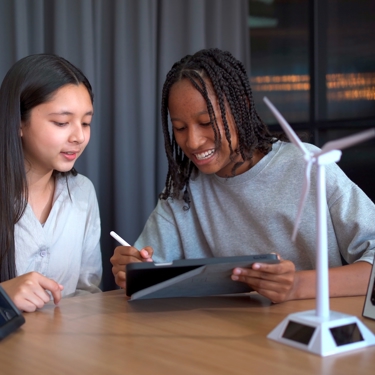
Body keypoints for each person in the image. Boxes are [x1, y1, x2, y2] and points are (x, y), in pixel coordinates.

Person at [110, 48, 375, 303]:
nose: (192, 141)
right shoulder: (183, 192)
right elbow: (147, 273)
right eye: (179, 128)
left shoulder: (308, 166)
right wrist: (131, 270)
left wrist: (296, 285)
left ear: (242, 106)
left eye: (206, 123)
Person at [0, 54, 102, 312]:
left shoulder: (83, 193)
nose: (79, 136)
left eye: (86, 122)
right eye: (61, 122)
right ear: (18, 122)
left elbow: (88, 293)